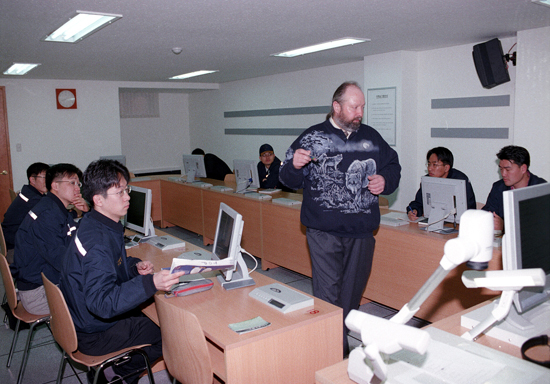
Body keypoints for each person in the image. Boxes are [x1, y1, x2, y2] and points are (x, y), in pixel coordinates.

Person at [279, 81, 401, 356]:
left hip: (362, 231)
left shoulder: (371, 137)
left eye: (362, 107)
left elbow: (393, 166)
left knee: (351, 295)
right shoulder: (312, 137)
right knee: (328, 293)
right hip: (323, 231)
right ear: (336, 106)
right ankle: (334, 353)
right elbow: (286, 178)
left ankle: (335, 341)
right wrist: (295, 166)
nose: (359, 112)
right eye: (353, 106)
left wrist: (385, 180)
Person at [60, 159, 184, 384]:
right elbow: (102, 303)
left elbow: (112, 265)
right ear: (98, 200)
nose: (127, 196)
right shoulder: (97, 240)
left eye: (127, 189)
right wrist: (151, 283)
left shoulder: (98, 224)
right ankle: (116, 375)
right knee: (172, 334)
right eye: (120, 192)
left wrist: (133, 267)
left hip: (84, 320)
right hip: (95, 332)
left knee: (153, 313)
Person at [11, 163, 89, 315]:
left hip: (46, 282)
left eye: (78, 183)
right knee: (102, 294)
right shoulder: (47, 215)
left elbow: (78, 238)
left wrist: (87, 213)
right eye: (72, 182)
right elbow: (62, 261)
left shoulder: (56, 208)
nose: (77, 188)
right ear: (55, 186)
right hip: (39, 294)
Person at [482, 145, 547, 230]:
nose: (503, 174)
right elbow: (488, 214)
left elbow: (540, 227)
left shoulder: (540, 189)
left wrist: (504, 226)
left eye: (508, 169)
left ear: (523, 168)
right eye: (501, 169)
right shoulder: (498, 187)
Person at [407, 147, 477, 220]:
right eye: (429, 164)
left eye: (435, 165)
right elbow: (418, 203)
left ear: (446, 168)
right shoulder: (428, 180)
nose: (430, 168)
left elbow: (470, 208)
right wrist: (414, 211)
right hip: (433, 222)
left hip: (458, 225)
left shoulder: (460, 180)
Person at [2, 162, 50, 261]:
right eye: (44, 178)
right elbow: (51, 217)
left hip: (11, 241)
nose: (48, 181)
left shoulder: (27, 192)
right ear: (32, 179)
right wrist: (76, 213)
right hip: (16, 249)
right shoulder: (34, 200)